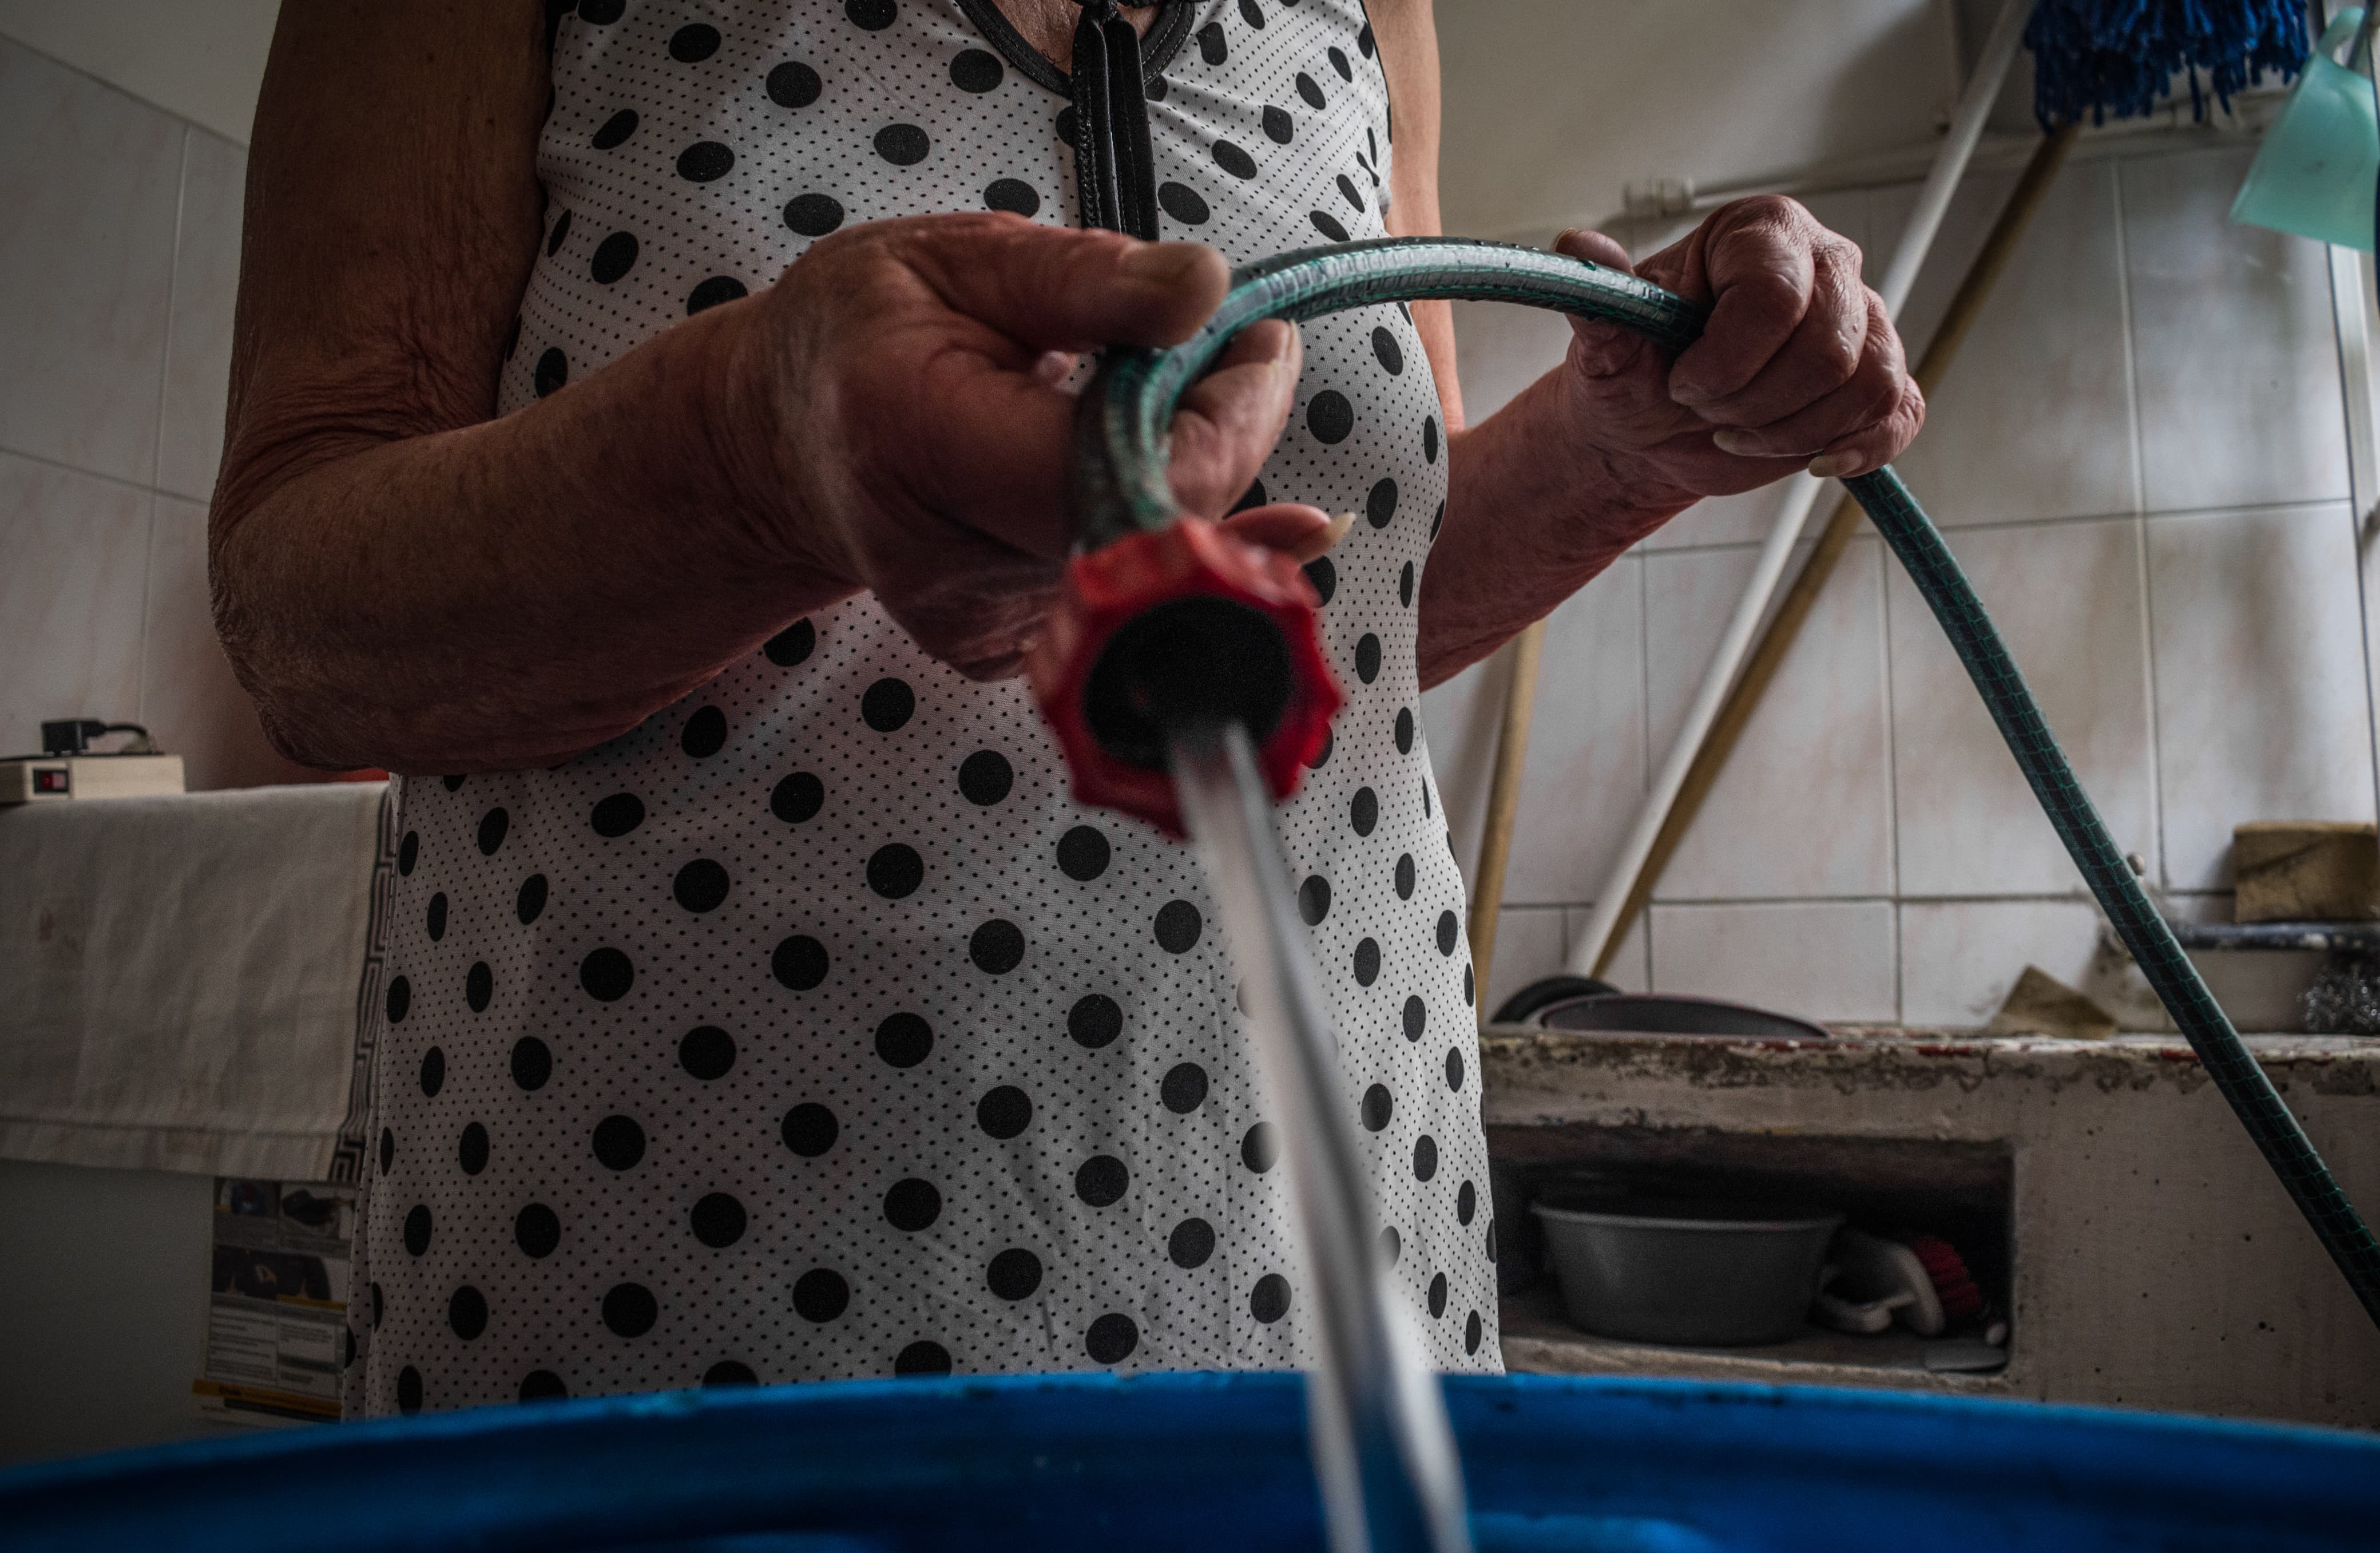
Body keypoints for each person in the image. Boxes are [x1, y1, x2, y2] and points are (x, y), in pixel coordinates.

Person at [214, 0, 1922, 1416]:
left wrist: (1616, 458)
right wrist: (750, 452)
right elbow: (302, 625)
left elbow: (1350, 608)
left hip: (1332, 1294)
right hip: (682, 1304)